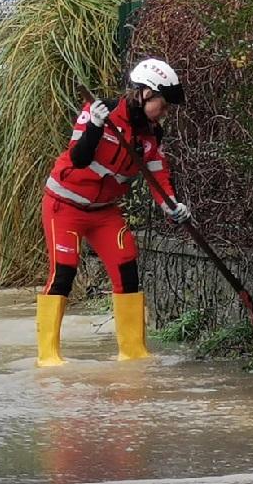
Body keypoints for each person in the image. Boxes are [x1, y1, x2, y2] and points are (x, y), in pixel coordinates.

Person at [36, 58, 191, 365]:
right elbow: (79, 158)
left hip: (105, 213)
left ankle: (133, 353)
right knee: (63, 272)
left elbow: (157, 172)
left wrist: (171, 205)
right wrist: (94, 125)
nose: (165, 111)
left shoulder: (151, 134)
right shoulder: (99, 113)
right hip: (64, 207)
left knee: (126, 268)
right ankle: (49, 356)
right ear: (145, 93)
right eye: (163, 103)